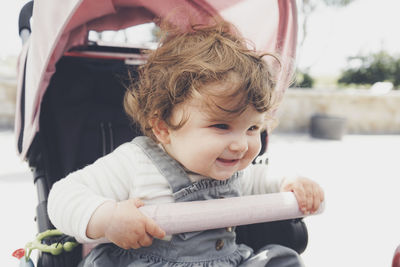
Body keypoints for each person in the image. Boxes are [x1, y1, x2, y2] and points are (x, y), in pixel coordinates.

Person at [48, 20, 324, 267]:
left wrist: (292, 183)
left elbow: (263, 180)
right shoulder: (135, 164)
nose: (241, 145)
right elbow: (63, 195)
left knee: (282, 259)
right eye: (221, 126)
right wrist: (106, 218)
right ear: (163, 127)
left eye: (252, 128)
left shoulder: (235, 172)